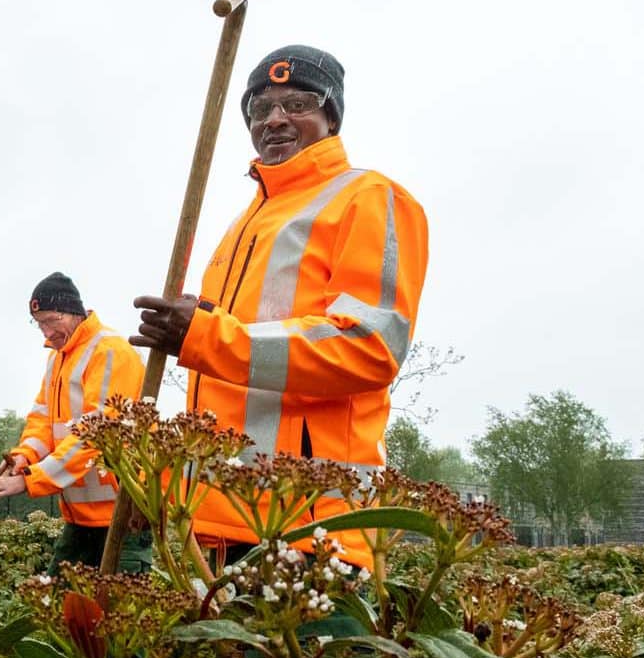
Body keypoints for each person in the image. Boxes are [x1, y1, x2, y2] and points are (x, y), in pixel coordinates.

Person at [131, 45, 429, 569]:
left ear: (330, 115)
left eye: (297, 104)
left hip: (310, 527)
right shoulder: (244, 224)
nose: (275, 120)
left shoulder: (369, 198)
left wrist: (200, 336)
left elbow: (369, 346)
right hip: (216, 523)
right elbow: (225, 394)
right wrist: (162, 486)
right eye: (259, 108)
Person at [0, 272, 152, 574]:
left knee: (117, 615)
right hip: (81, 519)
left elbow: (94, 435)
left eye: (51, 320)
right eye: (39, 324)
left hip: (123, 518)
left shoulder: (110, 352)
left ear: (73, 311)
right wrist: (25, 456)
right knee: (59, 611)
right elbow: (42, 419)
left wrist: (29, 479)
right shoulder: (58, 358)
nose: (46, 332)